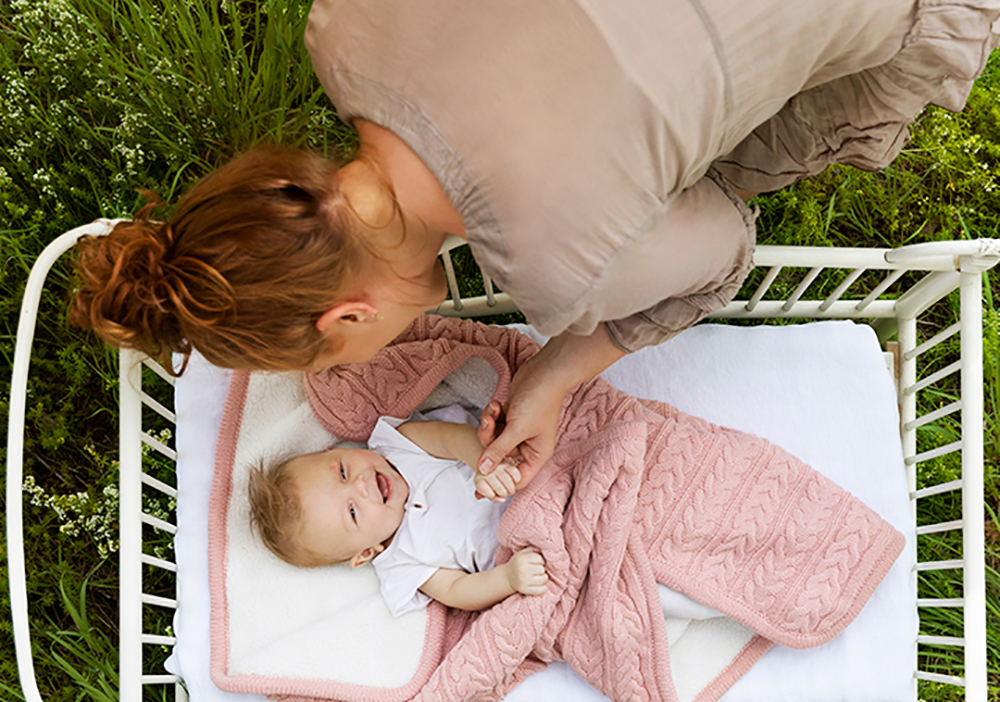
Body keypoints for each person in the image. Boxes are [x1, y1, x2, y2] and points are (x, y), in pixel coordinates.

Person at [71, 0, 1000, 488]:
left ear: (349, 313)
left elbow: (722, 255)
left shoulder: (565, 264)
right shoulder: (342, 22)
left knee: (731, 172)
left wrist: (558, 369)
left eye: (356, 345)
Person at [248, 416, 549, 614]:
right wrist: (508, 579)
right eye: (352, 511)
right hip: (529, 541)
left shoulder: (400, 445)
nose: (362, 486)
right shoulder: (402, 563)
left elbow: (453, 439)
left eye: (343, 471)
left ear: (333, 450)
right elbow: (458, 590)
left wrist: (485, 465)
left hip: (529, 471)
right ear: (365, 553)